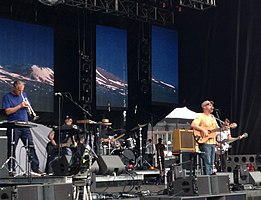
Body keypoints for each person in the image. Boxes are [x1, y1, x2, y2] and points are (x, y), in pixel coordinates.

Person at [2, 80, 44, 175]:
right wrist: (20, 105)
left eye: (22, 90)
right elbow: (8, 111)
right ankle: (11, 169)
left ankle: (35, 168)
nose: (21, 93)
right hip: (14, 126)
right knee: (12, 148)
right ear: (14, 88)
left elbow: (27, 108)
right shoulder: (7, 97)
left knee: (30, 146)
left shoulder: (24, 95)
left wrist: (28, 109)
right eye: (19, 91)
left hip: (24, 125)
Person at [191, 100, 220, 175]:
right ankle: (208, 179)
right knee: (208, 162)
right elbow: (193, 125)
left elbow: (216, 128)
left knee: (212, 162)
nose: (211, 106)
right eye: (209, 105)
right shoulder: (201, 116)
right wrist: (203, 130)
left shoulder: (213, 117)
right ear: (204, 107)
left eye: (211, 105)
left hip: (213, 142)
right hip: (205, 142)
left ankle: (211, 178)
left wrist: (225, 128)